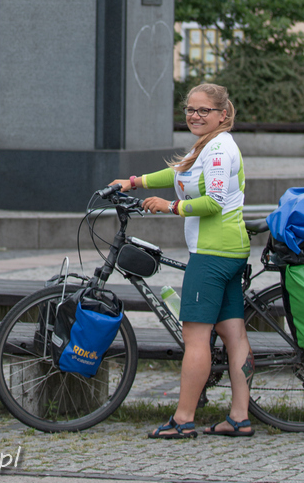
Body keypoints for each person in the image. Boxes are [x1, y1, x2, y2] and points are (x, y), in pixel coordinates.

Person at [109, 82, 254, 439]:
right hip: (229, 250)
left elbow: (214, 202)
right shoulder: (207, 146)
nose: (194, 115)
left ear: (223, 114)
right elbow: (180, 174)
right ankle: (239, 417)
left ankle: (184, 419)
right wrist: (135, 182)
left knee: (195, 337)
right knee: (234, 334)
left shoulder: (219, 150)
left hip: (213, 253)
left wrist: (169, 206)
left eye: (204, 110)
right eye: (190, 109)